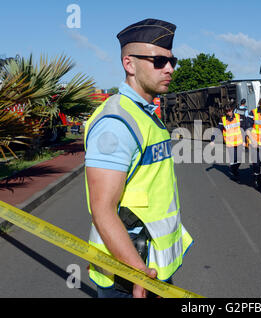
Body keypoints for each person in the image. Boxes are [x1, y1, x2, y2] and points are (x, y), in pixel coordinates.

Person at [84, 18, 193, 298]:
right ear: (129, 64)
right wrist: (137, 273)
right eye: (158, 61)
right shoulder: (116, 122)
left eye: (172, 61)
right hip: (129, 278)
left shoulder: (145, 114)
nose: (169, 68)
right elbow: (102, 209)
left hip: (149, 269)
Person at [210, 104, 245, 183]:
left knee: (239, 160)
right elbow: (217, 130)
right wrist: (212, 140)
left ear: (232, 110)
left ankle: (233, 169)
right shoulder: (223, 120)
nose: (228, 112)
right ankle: (235, 173)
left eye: (229, 111)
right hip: (230, 144)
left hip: (239, 142)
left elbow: (244, 127)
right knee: (233, 161)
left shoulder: (238, 117)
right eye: (226, 111)